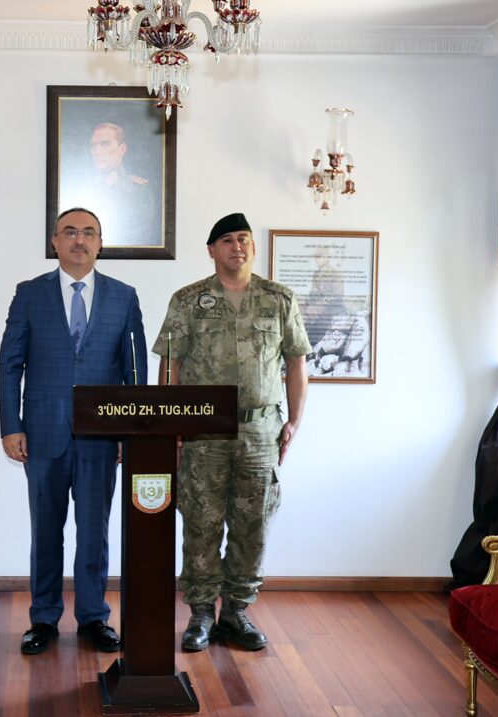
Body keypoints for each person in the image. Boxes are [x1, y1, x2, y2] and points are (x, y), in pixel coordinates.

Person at [153, 212, 310, 652]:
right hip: (202, 431)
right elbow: (170, 365)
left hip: (260, 431)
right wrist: (172, 426)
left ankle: (236, 612)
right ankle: (202, 613)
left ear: (252, 247)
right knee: (201, 522)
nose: (236, 247)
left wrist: (294, 420)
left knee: (253, 524)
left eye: (243, 239)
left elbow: (297, 362)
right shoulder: (188, 300)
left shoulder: (279, 299)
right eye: (226, 240)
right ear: (211, 250)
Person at [0, 207, 148, 656]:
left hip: (102, 438)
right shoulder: (29, 294)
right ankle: (43, 619)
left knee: (94, 532)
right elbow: (10, 365)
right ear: (55, 241)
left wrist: (129, 432)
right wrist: (11, 426)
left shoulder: (124, 297)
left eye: (88, 233)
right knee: (46, 531)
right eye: (70, 232)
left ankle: (93, 617)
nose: (79, 240)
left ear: (100, 243)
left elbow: (135, 372)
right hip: (41, 434)